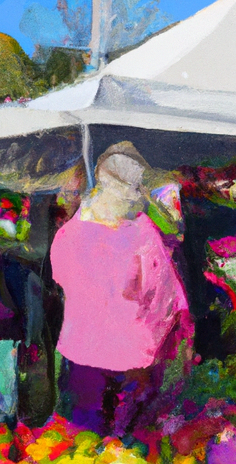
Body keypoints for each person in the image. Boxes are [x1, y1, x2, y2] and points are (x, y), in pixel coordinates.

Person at [49, 142, 192, 436]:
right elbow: (166, 299)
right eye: (133, 189)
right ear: (121, 189)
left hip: (81, 352)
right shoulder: (142, 233)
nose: (136, 196)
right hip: (132, 358)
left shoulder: (69, 233)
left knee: (80, 446)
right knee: (127, 449)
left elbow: (60, 279)